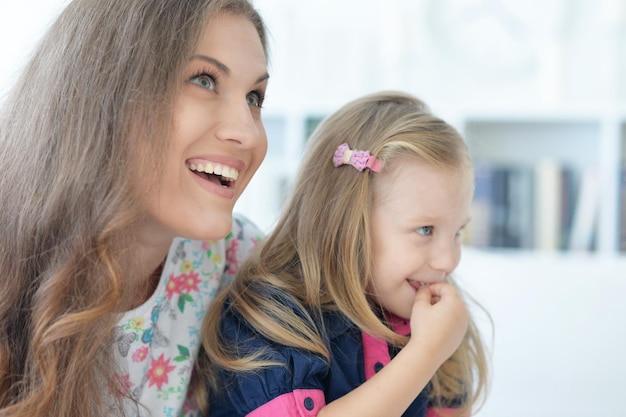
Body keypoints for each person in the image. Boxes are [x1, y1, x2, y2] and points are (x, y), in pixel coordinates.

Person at [0, 1, 270, 416]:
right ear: (105, 93)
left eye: (255, 97)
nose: (248, 133)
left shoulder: (239, 261)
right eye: (204, 79)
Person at [199, 91, 490, 417]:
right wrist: (425, 353)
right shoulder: (269, 319)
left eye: (457, 233)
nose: (448, 261)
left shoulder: (436, 324)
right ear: (346, 221)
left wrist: (435, 349)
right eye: (425, 230)